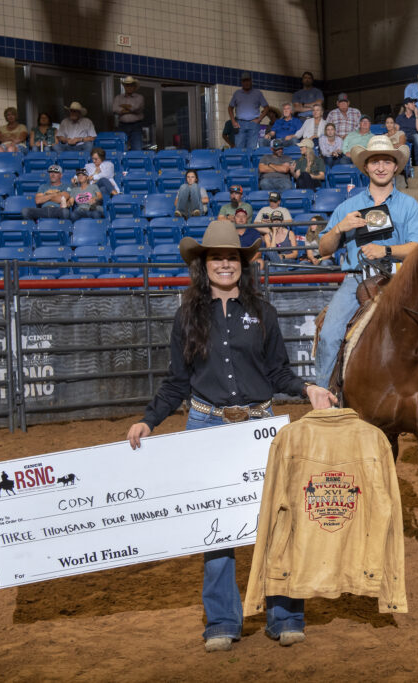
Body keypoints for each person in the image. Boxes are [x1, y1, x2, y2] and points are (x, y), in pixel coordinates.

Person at [127, 220, 336, 653]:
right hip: (206, 427)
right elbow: (176, 381)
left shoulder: (264, 314)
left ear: (243, 264)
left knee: (278, 521)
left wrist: (307, 388)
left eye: (232, 257)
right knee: (215, 528)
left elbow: (277, 372)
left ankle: (285, 614)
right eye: (216, 257)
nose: (225, 263)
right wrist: (150, 419)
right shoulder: (188, 317)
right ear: (204, 265)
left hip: (260, 427)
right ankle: (222, 620)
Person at [313, 135, 418, 390]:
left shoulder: (410, 206)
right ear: (366, 167)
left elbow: (417, 247)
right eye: (375, 162)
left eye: (387, 161)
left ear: (396, 167)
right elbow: (323, 248)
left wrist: (385, 249)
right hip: (357, 278)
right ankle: (324, 399)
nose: (381, 167)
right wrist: (339, 228)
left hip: (399, 277)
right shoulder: (347, 207)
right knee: (330, 335)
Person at [229, 72, 271, 150]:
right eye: (244, 81)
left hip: (253, 124)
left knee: (251, 149)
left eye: (248, 80)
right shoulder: (237, 93)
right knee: (239, 148)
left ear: (251, 81)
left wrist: (259, 119)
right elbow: (230, 108)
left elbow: (266, 107)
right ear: (241, 82)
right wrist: (233, 121)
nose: (246, 83)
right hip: (240, 124)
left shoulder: (258, 93)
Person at [113, 76, 145, 151]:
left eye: (131, 85)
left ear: (134, 87)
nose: (129, 87)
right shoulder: (118, 97)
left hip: (136, 125)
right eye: (127, 85)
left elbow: (136, 108)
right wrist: (130, 108)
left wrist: (123, 107)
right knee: (122, 148)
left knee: (137, 148)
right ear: (124, 86)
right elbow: (114, 109)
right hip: (122, 125)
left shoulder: (139, 97)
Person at [395, 97, 418, 166]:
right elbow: (396, 131)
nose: (414, 104)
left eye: (414, 103)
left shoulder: (416, 117)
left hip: (413, 136)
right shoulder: (400, 117)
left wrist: (417, 115)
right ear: (406, 105)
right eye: (412, 103)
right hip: (402, 136)